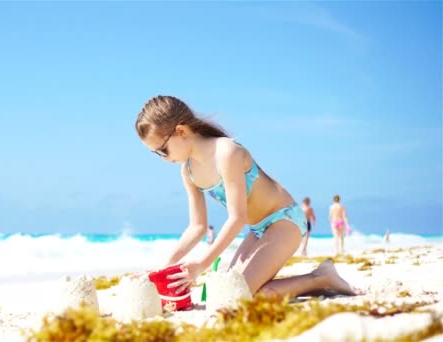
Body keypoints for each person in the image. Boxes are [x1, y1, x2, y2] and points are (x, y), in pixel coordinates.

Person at [135, 95, 360, 299]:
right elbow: (197, 227)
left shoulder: (226, 152)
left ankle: (321, 277)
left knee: (239, 296)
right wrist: (163, 267)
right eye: (156, 154)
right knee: (219, 294)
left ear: (181, 131)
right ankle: (315, 282)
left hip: (284, 220)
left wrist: (202, 264)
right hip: (257, 230)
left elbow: (237, 217)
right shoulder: (188, 171)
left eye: (163, 150)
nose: (163, 158)